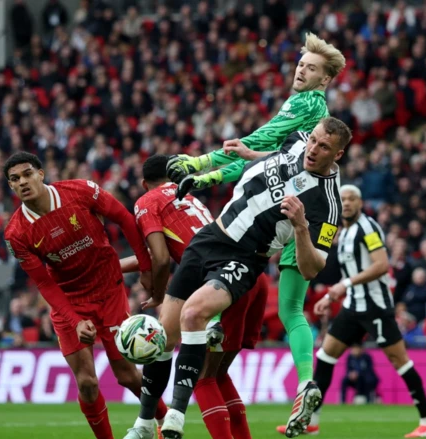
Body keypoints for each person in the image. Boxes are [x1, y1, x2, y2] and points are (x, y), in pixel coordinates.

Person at [166, 31, 347, 432]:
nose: (302, 69)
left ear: (325, 79)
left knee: (265, 300)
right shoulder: (315, 119)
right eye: (301, 63)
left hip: (285, 217)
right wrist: (235, 163)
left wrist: (200, 165)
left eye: (312, 67)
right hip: (290, 211)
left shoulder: (308, 105)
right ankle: (304, 385)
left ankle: (209, 329)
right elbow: (269, 155)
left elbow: (261, 142)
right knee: (291, 310)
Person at [125, 117, 350, 439]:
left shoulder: (327, 206)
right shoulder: (298, 140)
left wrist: (300, 227)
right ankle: (145, 423)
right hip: (210, 237)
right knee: (165, 335)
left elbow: (313, 267)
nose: (312, 148)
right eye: (313, 140)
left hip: (243, 257)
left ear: (337, 155)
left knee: (194, 314)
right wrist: (241, 158)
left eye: (323, 146)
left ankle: (175, 416)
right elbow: (277, 158)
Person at [2, 152, 167, 439]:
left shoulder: (80, 190)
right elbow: (44, 283)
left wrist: (145, 266)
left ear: (41, 174)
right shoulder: (16, 233)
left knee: (127, 376)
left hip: (109, 291)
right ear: (11, 187)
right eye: (15, 179)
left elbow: (125, 219)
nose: (23, 182)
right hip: (69, 300)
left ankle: (168, 421)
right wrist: (75, 319)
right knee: (87, 383)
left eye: (27, 174)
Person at [120, 154, 268, 439]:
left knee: (183, 360)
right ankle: (146, 425)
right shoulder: (188, 196)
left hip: (211, 277)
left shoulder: (146, 202)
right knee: (217, 374)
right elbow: (165, 251)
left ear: (143, 183)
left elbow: (161, 259)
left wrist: (158, 294)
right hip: (248, 276)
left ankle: (147, 425)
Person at [312, 185, 426, 438]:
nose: (346, 203)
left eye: (351, 199)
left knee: (400, 361)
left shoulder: (368, 228)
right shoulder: (342, 231)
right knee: (325, 357)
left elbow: (381, 266)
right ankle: (311, 421)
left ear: (360, 203)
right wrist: (330, 295)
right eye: (343, 199)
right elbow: (346, 273)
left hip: (375, 308)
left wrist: (343, 286)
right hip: (351, 307)